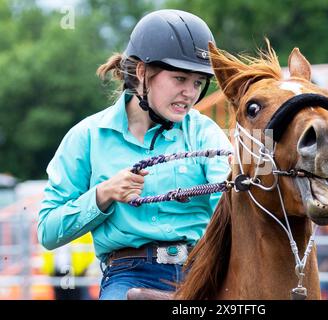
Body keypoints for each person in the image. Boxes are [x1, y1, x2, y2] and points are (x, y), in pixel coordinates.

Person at [37, 9, 232, 300]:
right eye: (180, 78)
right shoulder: (87, 137)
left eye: (197, 82)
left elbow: (230, 201)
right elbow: (49, 231)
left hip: (203, 271)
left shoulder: (206, 133)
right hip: (127, 275)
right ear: (142, 72)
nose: (190, 93)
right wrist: (103, 194)